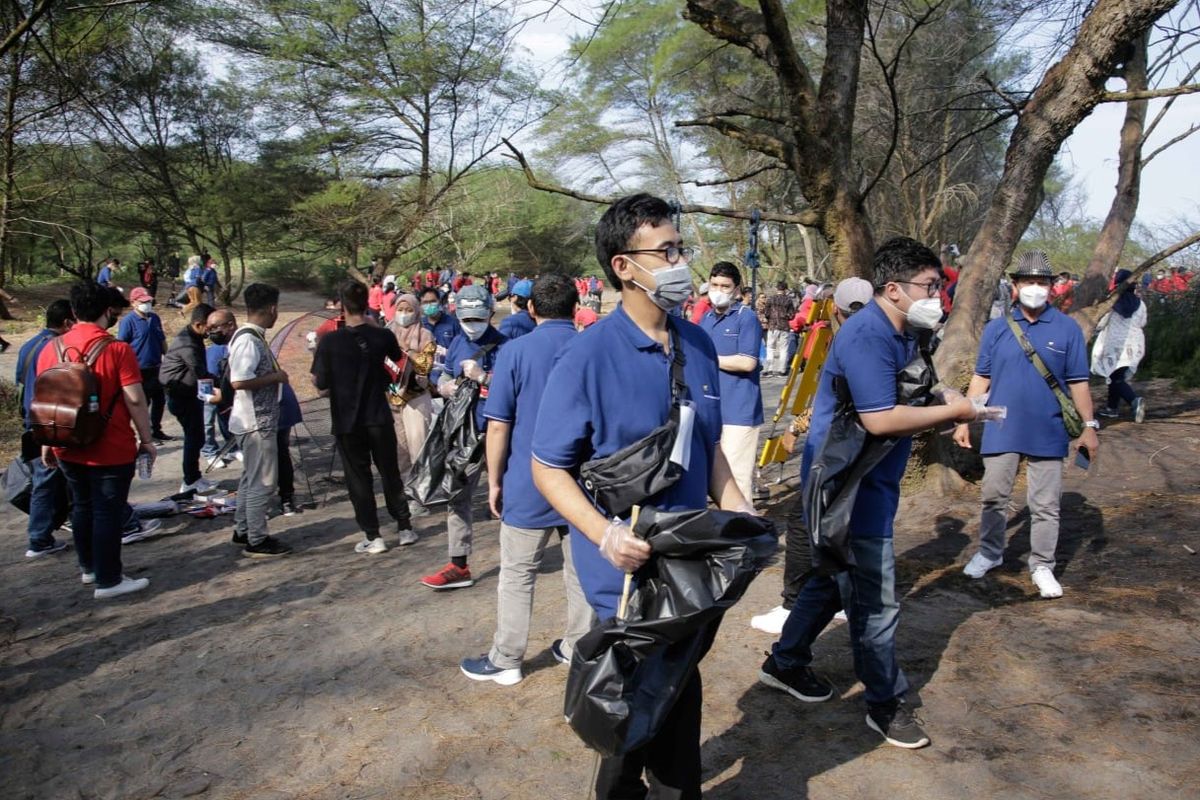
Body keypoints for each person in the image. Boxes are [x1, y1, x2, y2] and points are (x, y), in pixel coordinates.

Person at [531, 194, 752, 798]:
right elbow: (549, 469)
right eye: (667, 251)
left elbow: (705, 451)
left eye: (682, 248)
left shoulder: (698, 343)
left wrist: (741, 515)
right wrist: (604, 534)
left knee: (677, 694)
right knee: (627, 713)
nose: (681, 262)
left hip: (688, 566)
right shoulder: (586, 355)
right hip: (621, 576)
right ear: (623, 266)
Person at [760, 238, 979, 751]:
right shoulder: (866, 336)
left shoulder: (909, 331)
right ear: (892, 289)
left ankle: (785, 661)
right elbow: (880, 418)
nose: (937, 296)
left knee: (833, 577)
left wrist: (944, 396)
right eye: (929, 287)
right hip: (848, 486)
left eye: (940, 286)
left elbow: (910, 391)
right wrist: (954, 413)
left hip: (874, 480)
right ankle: (885, 703)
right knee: (876, 602)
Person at [460, 274, 593, 685]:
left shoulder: (515, 352)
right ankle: (580, 646)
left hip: (528, 478)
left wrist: (494, 481)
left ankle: (507, 658)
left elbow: (498, 425)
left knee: (518, 573)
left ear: (531, 308)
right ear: (576, 307)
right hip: (586, 481)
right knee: (582, 571)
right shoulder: (593, 348)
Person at [955, 251, 1099, 599]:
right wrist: (964, 418)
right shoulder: (997, 328)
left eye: (1042, 282)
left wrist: (1089, 426)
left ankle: (1042, 565)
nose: (1035, 288)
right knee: (993, 496)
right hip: (1000, 425)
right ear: (1015, 286)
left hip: (1047, 428)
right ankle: (990, 552)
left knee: (1046, 504)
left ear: (1051, 287)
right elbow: (981, 377)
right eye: (1028, 281)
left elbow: (1079, 382)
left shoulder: (1067, 329)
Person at [749, 277, 872, 634]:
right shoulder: (877, 339)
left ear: (834, 309)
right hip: (857, 449)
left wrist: (796, 427)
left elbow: (829, 400)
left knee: (804, 524)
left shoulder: (848, 343)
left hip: (838, 448)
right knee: (839, 528)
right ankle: (839, 598)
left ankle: (794, 603)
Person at [36, 282, 157, 599]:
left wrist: (47, 442)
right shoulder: (117, 350)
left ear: (73, 311)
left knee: (82, 506)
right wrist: (146, 439)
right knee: (107, 510)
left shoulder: (51, 348)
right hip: (110, 445)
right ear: (108, 311)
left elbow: (47, 398)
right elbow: (135, 399)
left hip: (67, 444)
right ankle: (109, 579)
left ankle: (89, 569)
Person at [312, 281, 416, 553]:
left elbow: (319, 382)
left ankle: (374, 535)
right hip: (379, 415)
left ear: (341, 305)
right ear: (368, 304)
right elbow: (399, 364)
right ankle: (405, 527)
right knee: (390, 471)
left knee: (358, 477)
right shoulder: (382, 336)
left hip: (348, 420)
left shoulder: (330, 341)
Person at [420, 284, 507, 589]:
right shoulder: (456, 342)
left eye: (477, 319)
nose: (472, 326)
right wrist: (443, 385)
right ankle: (458, 564)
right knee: (458, 495)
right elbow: (439, 372)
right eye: (466, 319)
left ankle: (517, 560)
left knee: (508, 497)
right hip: (463, 433)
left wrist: (484, 378)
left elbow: (516, 388)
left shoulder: (505, 345)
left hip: (499, 431)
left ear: (489, 314)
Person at [227, 283, 292, 558]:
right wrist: (275, 378)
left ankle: (243, 529)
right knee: (263, 482)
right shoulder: (248, 340)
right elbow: (239, 380)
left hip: (256, 419)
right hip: (256, 421)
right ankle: (257, 538)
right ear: (272, 309)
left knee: (250, 478)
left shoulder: (254, 336)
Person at [698, 261, 763, 507]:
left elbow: (747, 363)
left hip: (740, 411)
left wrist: (708, 358)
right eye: (714, 284)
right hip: (712, 409)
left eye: (725, 286)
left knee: (737, 479)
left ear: (736, 290)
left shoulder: (746, 319)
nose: (718, 290)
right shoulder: (705, 318)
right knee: (714, 478)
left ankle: (744, 536)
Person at [17, 299, 75, 558]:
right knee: (53, 477)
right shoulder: (56, 347)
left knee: (50, 480)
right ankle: (39, 538)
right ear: (67, 323)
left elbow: (21, 378)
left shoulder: (28, 345)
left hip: (32, 419)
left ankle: (44, 532)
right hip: (50, 421)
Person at [159, 303, 217, 494]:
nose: (212, 331)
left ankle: (194, 476)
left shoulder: (194, 337)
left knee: (197, 436)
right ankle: (190, 481)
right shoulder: (188, 344)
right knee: (194, 437)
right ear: (199, 324)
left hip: (188, 393)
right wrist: (226, 386)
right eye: (210, 327)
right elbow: (202, 374)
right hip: (180, 396)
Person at [387, 293, 436, 476]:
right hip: (391, 396)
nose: (403, 314)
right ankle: (404, 490)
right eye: (400, 310)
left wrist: (406, 352)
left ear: (416, 312)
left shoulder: (425, 335)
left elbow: (425, 365)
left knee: (418, 445)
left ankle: (421, 491)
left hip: (415, 396)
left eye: (408, 310)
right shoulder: (387, 333)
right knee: (399, 448)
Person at [1093, 268, 1148, 422]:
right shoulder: (1141, 304)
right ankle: (1112, 408)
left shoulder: (1112, 303)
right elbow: (1143, 322)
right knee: (1116, 375)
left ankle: (1134, 400)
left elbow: (1102, 323)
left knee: (1115, 377)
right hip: (1135, 344)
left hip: (1115, 344)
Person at [117, 287, 170, 443]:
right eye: (143, 302)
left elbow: (162, 340)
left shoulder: (154, 318)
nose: (147, 304)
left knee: (159, 400)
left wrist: (167, 358)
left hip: (156, 366)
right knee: (143, 403)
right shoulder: (128, 321)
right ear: (134, 303)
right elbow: (122, 345)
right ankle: (144, 434)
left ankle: (157, 430)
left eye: (148, 301)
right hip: (139, 369)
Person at [201, 309, 241, 468]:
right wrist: (210, 395)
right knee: (207, 420)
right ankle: (209, 451)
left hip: (225, 389)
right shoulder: (217, 350)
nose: (213, 333)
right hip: (209, 385)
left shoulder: (236, 344)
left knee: (227, 417)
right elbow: (209, 374)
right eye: (211, 329)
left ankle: (232, 448)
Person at [419, 286, 462, 387]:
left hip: (449, 376)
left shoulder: (453, 323)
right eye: (425, 302)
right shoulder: (419, 325)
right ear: (420, 305)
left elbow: (461, 348)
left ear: (439, 301)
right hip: (425, 378)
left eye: (433, 301)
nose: (429, 305)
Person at [763, 281, 796, 376]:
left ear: (777, 288)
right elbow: (792, 315)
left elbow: (766, 313)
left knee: (770, 348)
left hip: (772, 326)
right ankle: (782, 370)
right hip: (784, 326)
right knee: (783, 349)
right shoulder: (788, 300)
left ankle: (769, 369)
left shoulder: (770, 299)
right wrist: (785, 316)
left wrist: (770, 318)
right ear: (785, 289)